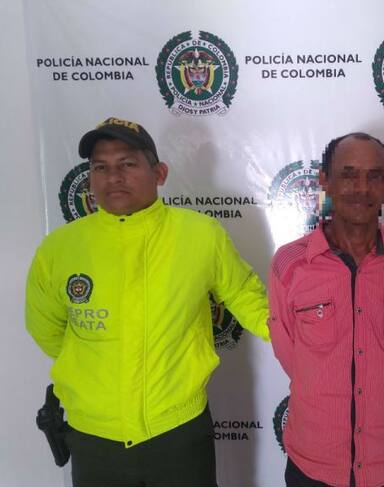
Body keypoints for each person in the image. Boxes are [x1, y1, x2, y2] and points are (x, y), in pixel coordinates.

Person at [25, 117, 269, 487]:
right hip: (94, 437)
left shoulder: (201, 235)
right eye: (100, 167)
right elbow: (46, 329)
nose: (113, 177)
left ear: (159, 173)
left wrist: (303, 341)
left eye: (127, 163)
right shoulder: (59, 249)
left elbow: (246, 296)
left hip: (178, 432)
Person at [268, 133, 384, 487]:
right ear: (324, 180)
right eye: (348, 174)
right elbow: (291, 356)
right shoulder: (290, 265)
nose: (361, 188)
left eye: (374, 176)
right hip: (314, 463)